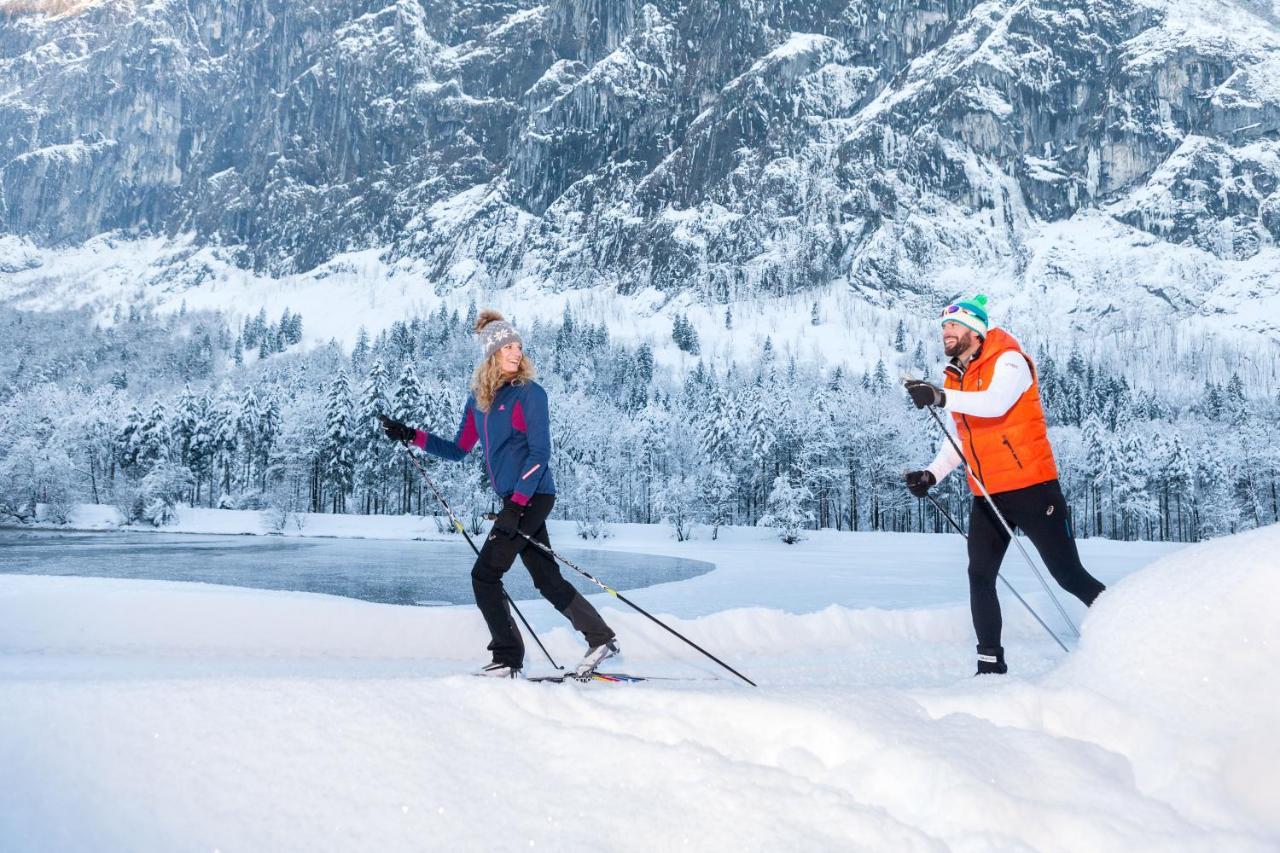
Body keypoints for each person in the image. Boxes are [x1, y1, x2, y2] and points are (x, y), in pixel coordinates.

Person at [379, 310, 618, 678]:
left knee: (485, 575)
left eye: (519, 345)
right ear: (492, 353)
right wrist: (411, 435)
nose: (516, 351)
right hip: (516, 501)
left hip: (533, 495)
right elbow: (458, 449)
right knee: (546, 580)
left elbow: (541, 454)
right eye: (508, 346)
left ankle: (507, 658)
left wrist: (516, 505)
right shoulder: (480, 400)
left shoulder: (530, 394)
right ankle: (600, 638)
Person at [903, 294, 1105, 675]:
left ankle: (1136, 631)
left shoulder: (1009, 360)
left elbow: (994, 404)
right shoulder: (956, 376)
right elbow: (963, 437)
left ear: (975, 331)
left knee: (1068, 576)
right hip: (987, 494)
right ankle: (989, 668)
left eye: (954, 325)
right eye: (943, 326)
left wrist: (941, 396)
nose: (946, 332)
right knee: (979, 575)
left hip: (1033, 488)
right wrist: (931, 474)